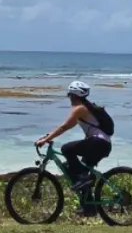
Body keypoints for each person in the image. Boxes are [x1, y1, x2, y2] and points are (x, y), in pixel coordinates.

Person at [37, 81, 114, 216]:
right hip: (102, 144)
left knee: (66, 149)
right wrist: (48, 136)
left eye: (69, 95)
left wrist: (46, 139)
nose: (69, 98)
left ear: (74, 96)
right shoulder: (86, 108)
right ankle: (89, 208)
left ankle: (83, 179)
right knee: (74, 170)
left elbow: (64, 127)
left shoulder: (80, 109)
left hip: (99, 143)